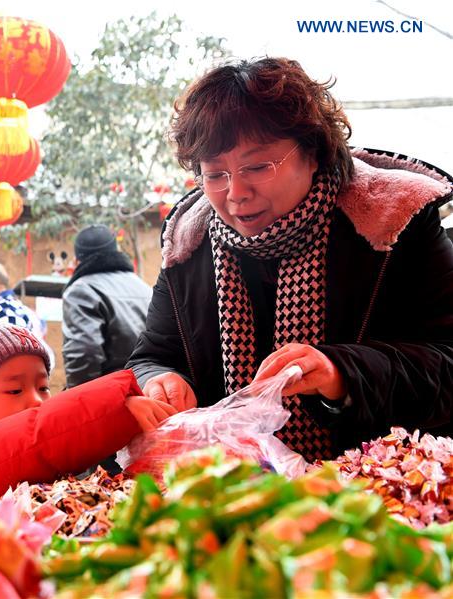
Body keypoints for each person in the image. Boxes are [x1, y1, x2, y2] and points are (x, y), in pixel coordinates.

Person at [127, 57, 453, 463]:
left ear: (313, 153)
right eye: (215, 174)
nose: (236, 193)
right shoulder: (188, 246)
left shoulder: (394, 225)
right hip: (232, 487)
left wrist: (341, 373)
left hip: (377, 485)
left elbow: (447, 364)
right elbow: (153, 355)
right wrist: (159, 379)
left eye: (257, 166)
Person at [0, 320, 176, 498]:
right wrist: (112, 411)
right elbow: (29, 441)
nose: (37, 401)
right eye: (15, 390)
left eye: (43, 387)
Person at [62, 225, 152, 388]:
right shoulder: (144, 287)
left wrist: (79, 397)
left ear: (76, 261)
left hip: (116, 394)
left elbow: (84, 354)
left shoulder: (81, 290)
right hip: (152, 389)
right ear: (116, 250)